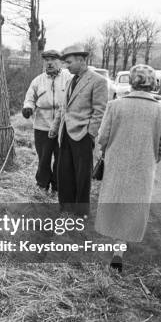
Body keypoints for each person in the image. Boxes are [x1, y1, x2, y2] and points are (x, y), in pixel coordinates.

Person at [95, 64, 161, 272]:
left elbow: (102, 138)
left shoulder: (115, 106)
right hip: (143, 167)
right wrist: (150, 161)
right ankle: (120, 249)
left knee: (115, 202)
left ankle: (115, 244)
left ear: (131, 81)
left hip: (116, 164)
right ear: (153, 84)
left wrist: (105, 153)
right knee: (133, 206)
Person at [49, 45, 107, 216]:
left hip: (83, 135)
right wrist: (54, 127)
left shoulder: (98, 81)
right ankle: (66, 207)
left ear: (81, 60)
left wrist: (90, 134)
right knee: (64, 171)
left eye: (69, 62)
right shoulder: (70, 81)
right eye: (65, 63)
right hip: (65, 134)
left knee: (82, 176)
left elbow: (100, 111)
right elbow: (63, 108)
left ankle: (80, 211)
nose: (66, 66)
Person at [22, 50, 72, 193]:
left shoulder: (68, 78)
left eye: (53, 60)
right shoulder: (38, 80)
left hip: (63, 126)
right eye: (46, 60)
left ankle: (57, 186)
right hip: (42, 126)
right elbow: (30, 98)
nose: (49, 63)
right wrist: (28, 108)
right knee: (43, 158)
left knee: (61, 158)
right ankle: (42, 184)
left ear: (60, 62)